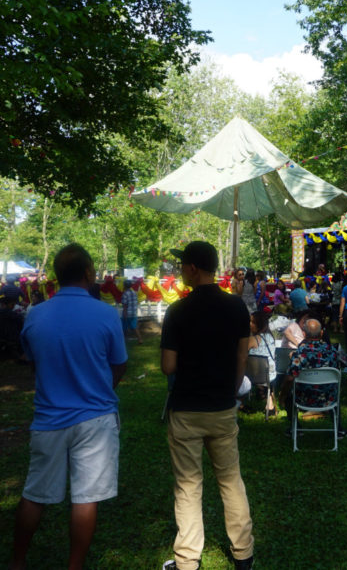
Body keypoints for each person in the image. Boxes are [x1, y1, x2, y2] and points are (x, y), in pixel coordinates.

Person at [10, 244, 127, 570]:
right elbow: (120, 365)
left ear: (56, 277)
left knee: (35, 493)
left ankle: (17, 561)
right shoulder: (105, 314)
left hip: (49, 417)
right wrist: (99, 389)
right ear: (89, 274)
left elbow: (34, 364)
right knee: (85, 498)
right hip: (96, 419)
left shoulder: (36, 314)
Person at [159, 241, 255, 570]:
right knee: (231, 481)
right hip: (222, 408)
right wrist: (229, 389)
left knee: (188, 488)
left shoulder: (177, 311)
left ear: (193, 269)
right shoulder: (236, 307)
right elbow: (242, 356)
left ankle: (187, 562)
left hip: (186, 408)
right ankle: (243, 554)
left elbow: (168, 366)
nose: (180, 271)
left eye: (182, 266)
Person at [282, 318, 346, 437]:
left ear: (304, 334)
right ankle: (339, 429)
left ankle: (296, 428)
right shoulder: (332, 351)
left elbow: (290, 378)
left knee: (288, 397)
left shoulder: (300, 353)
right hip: (329, 398)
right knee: (335, 390)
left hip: (303, 398)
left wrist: (282, 395)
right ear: (321, 333)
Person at [248, 310, 278, 416]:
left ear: (259, 324)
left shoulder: (252, 340)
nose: (249, 324)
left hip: (253, 376)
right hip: (271, 375)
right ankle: (270, 404)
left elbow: (240, 354)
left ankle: (240, 403)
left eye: (252, 322)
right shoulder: (270, 337)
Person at [121, 279, 143, 344]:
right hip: (134, 312)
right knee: (134, 327)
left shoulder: (125, 294)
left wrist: (124, 314)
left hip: (127, 313)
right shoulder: (134, 293)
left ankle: (124, 340)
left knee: (124, 327)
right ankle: (140, 339)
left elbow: (125, 305)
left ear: (124, 286)